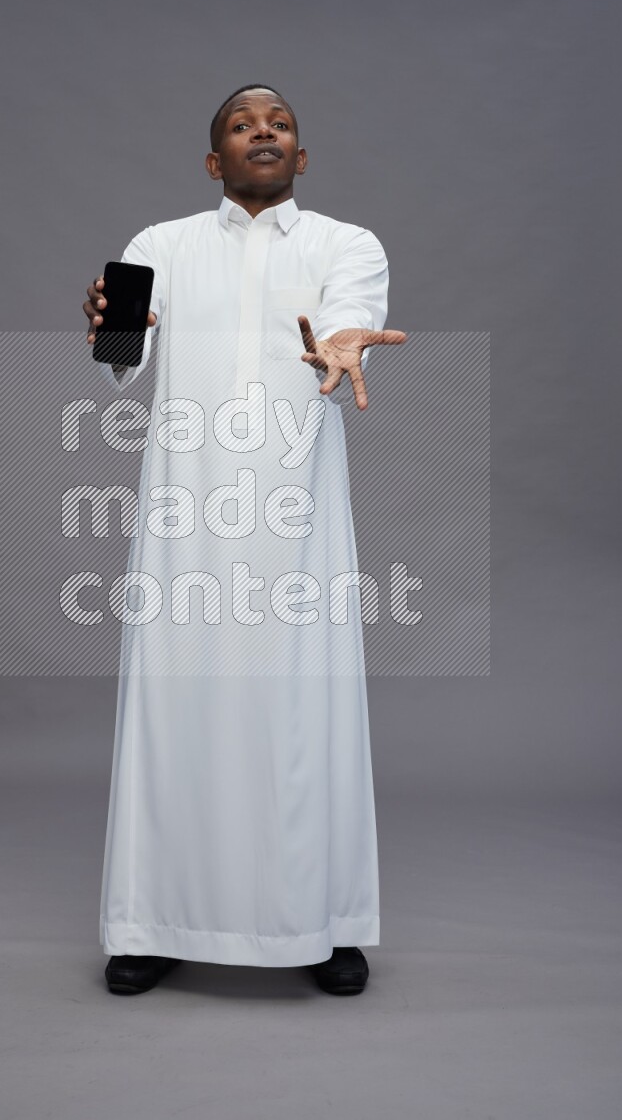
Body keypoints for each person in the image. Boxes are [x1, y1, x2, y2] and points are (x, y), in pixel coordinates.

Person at [83, 84, 406, 996]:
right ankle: (154, 919)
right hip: (187, 518)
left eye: (281, 124)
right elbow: (117, 358)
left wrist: (343, 351)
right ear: (213, 160)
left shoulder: (348, 244)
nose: (262, 130)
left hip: (297, 517)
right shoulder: (158, 246)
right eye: (240, 124)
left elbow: (348, 322)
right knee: (172, 712)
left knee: (306, 714)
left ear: (299, 159)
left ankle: (325, 919)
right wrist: (108, 323)